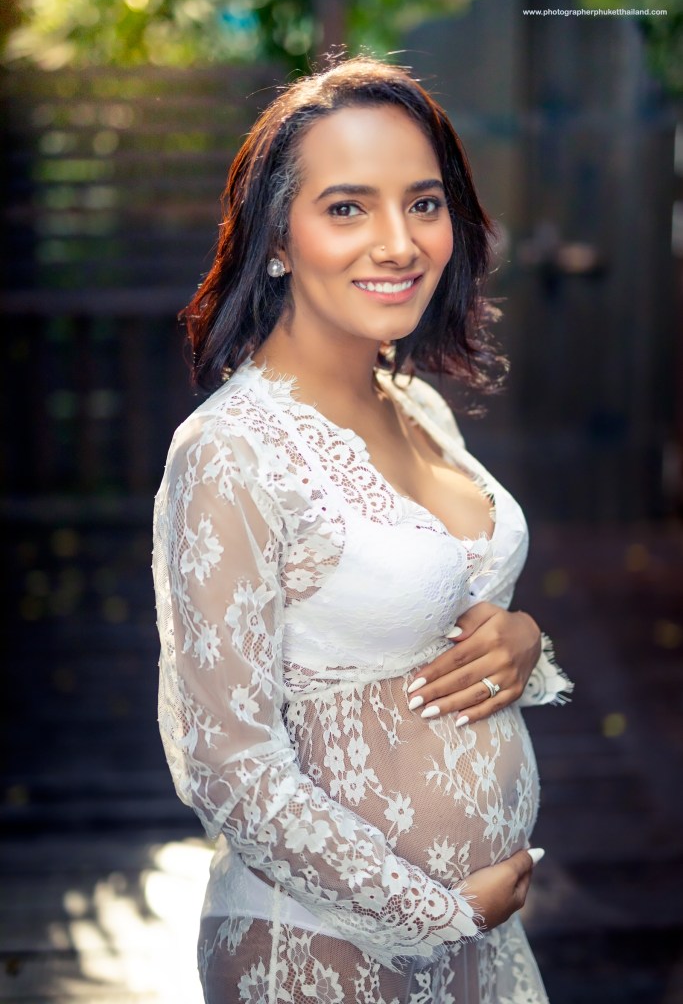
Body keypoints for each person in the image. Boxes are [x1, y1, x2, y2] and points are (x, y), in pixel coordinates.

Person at [152, 55, 573, 1004]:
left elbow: (441, 609)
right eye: (347, 208)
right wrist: (434, 914)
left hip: (484, 940)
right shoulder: (229, 452)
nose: (398, 243)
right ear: (274, 238)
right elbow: (226, 765)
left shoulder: (418, 406)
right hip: (325, 951)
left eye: (422, 204)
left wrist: (522, 640)